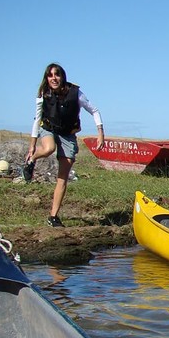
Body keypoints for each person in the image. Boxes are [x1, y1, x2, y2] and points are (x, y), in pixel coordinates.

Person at [23, 63, 104, 227]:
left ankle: (53, 217)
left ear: (62, 76)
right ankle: (32, 159)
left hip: (68, 134)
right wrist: (32, 146)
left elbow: (94, 110)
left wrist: (100, 133)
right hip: (48, 129)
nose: (54, 78)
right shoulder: (42, 95)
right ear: (47, 78)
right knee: (49, 148)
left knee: (62, 178)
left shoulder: (75, 93)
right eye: (50, 75)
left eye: (57, 74)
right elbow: (37, 119)